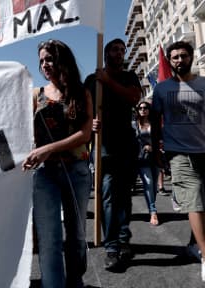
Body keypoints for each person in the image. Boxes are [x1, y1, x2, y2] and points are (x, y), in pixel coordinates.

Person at [22, 39, 92, 288]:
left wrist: (48, 149)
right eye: (41, 60)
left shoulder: (81, 93)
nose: (44, 65)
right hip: (45, 175)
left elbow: (84, 135)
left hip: (77, 172)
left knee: (76, 234)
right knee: (49, 237)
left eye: (49, 59)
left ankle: (75, 281)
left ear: (63, 60)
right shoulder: (35, 95)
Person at [84, 38, 142, 272]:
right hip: (103, 146)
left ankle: (123, 237)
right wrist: (91, 123)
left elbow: (134, 97)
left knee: (125, 196)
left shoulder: (129, 77)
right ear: (105, 53)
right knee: (108, 195)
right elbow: (82, 108)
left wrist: (109, 81)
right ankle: (112, 247)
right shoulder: (92, 80)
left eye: (122, 50)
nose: (119, 53)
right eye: (114, 50)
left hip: (126, 144)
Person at [151, 40, 205, 281]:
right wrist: (155, 150)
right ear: (169, 61)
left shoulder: (203, 84)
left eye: (183, 56)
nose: (179, 60)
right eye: (174, 57)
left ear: (191, 57)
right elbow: (154, 122)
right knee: (194, 201)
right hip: (178, 153)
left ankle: (195, 243)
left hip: (203, 150)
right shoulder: (161, 89)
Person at [132, 100, 159, 226]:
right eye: (140, 108)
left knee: (154, 186)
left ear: (149, 110)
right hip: (141, 159)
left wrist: (153, 146)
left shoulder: (155, 124)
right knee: (148, 184)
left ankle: (152, 205)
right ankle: (153, 212)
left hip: (155, 158)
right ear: (137, 110)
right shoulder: (133, 124)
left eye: (145, 108)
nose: (143, 110)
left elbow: (162, 138)